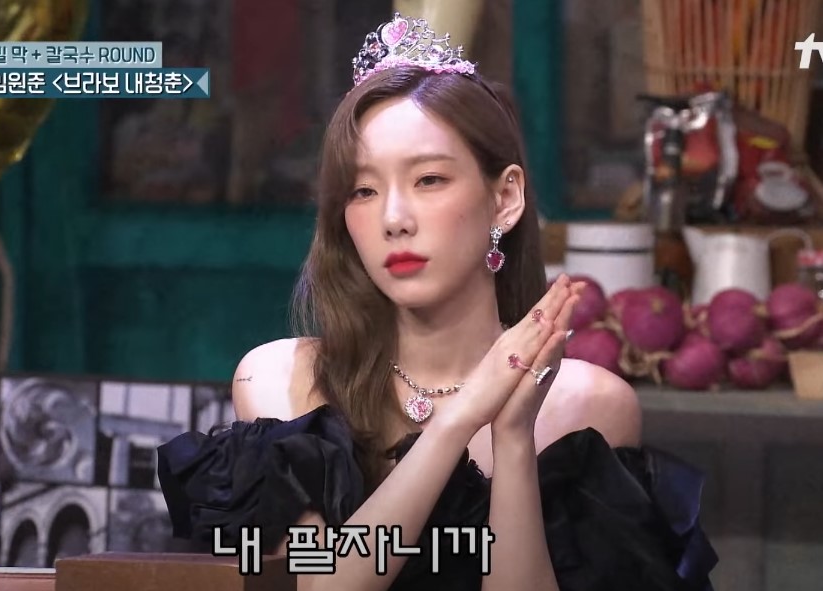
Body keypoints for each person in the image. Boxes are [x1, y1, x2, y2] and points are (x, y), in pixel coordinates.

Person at [157, 13, 718, 591]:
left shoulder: (588, 405)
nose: (394, 219)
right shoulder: (282, 381)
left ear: (505, 198)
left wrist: (513, 437)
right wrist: (457, 422)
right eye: (363, 190)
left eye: (428, 180)